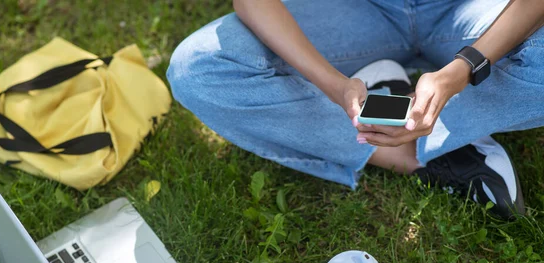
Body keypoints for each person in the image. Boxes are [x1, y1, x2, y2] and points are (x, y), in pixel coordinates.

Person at [167, 0, 544, 219]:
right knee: (199, 69)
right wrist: (333, 84)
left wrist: (462, 70)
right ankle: (413, 153)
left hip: (476, 15)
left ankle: (440, 124)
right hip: (352, 14)